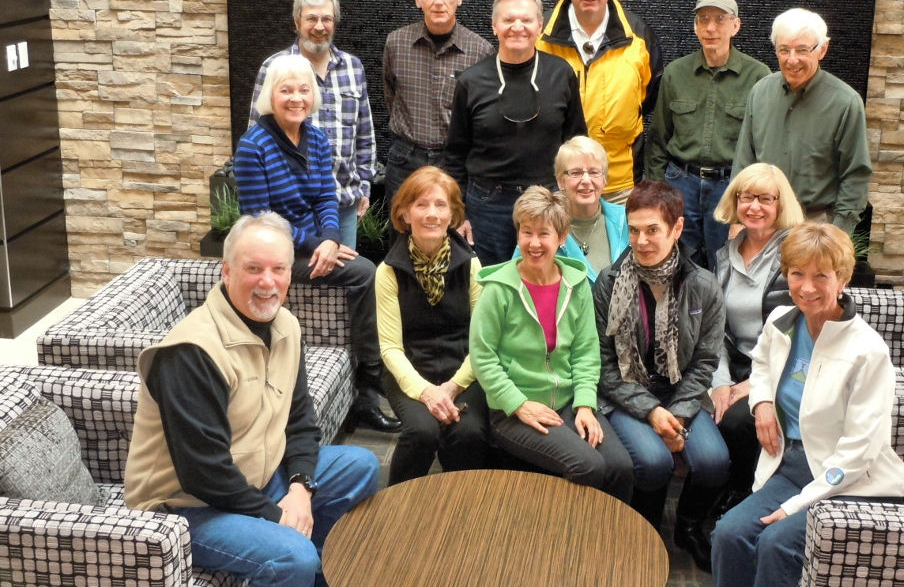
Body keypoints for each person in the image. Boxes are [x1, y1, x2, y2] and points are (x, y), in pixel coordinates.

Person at [124, 212, 380, 587]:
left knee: (361, 466)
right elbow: (204, 474)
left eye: (278, 269)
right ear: (227, 272)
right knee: (292, 556)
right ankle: (304, 566)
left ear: (291, 274)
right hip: (186, 506)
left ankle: (322, 575)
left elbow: (301, 421)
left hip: (259, 477)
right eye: (253, 269)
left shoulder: (286, 326)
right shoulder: (192, 352)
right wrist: (279, 517)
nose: (267, 282)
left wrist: (300, 488)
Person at [711, 222, 904, 587]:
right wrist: (762, 404)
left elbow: (860, 451)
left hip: (852, 481)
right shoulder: (780, 322)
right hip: (792, 465)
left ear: (843, 278)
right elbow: (761, 365)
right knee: (728, 534)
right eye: (797, 274)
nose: (806, 287)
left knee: (775, 544)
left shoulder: (868, 351)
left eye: (821, 276)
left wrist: (796, 505)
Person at [235, 54, 400, 433]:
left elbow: (328, 197)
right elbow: (260, 219)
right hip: (271, 254)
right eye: (286, 90)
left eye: (303, 90)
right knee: (365, 273)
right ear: (270, 96)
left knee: (371, 271)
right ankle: (371, 380)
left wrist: (330, 239)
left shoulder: (317, 138)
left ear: (313, 96)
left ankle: (367, 388)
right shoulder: (253, 146)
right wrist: (315, 245)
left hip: (314, 244)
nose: (296, 98)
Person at [593, 180, 727, 572]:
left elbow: (705, 361)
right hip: (627, 391)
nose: (642, 241)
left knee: (714, 461)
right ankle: (645, 532)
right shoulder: (609, 282)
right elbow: (603, 365)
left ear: (677, 228)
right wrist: (652, 413)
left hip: (680, 392)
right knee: (653, 463)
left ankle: (688, 527)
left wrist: (679, 415)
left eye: (653, 230)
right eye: (634, 230)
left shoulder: (703, 285)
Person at [469, 186, 633, 502]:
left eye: (544, 233)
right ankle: (563, 530)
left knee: (621, 467)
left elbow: (586, 350)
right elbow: (482, 357)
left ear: (562, 237)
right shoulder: (498, 289)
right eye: (526, 232)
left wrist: (584, 404)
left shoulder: (576, 284)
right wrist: (519, 404)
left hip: (568, 401)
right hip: (513, 408)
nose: (534, 243)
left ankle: (609, 533)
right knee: (588, 466)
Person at [443, 0, 588, 266]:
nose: (517, 27)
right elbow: (455, 155)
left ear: (540, 26)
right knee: (493, 281)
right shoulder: (471, 81)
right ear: (494, 26)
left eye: (526, 20)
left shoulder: (561, 74)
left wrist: (571, 201)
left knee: (545, 279)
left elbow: (577, 141)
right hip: (488, 206)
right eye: (508, 20)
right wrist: (459, 213)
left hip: (547, 199)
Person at [703, 164, 804, 528]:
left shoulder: (794, 256)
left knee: (735, 421)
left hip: (783, 367)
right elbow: (714, 329)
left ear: (780, 204)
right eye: (746, 197)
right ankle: (707, 506)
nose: (754, 206)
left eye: (765, 198)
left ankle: (740, 498)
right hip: (732, 365)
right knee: (707, 409)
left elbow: (796, 333)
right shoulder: (724, 255)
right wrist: (721, 383)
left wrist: (750, 386)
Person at [375, 165, 490, 485]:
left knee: (468, 433)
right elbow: (390, 348)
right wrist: (427, 393)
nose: (432, 214)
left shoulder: (471, 265)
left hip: (463, 371)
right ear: (404, 213)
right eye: (421, 204)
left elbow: (482, 341)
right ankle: (396, 503)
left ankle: (461, 501)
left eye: (441, 205)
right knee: (421, 432)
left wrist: (452, 388)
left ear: (452, 215)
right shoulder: (387, 272)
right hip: (411, 370)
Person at [646, 0, 771, 271]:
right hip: (680, 184)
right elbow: (658, 139)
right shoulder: (676, 73)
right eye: (703, 20)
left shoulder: (758, 77)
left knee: (727, 264)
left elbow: (763, 147)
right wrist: (655, 193)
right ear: (695, 27)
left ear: (735, 26)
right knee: (676, 263)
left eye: (719, 19)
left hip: (730, 187)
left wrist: (752, 197)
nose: (710, 28)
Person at [536, 0, 663, 204]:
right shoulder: (539, 34)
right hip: (555, 184)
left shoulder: (639, 37)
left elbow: (649, 99)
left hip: (619, 186)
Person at [251, 0, 375, 249]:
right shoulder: (274, 67)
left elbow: (365, 135)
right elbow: (256, 133)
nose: (320, 26)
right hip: (290, 209)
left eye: (326, 19)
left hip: (343, 204)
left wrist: (364, 185)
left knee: (342, 274)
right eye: (312, 19)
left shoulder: (353, 68)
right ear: (297, 22)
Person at [732, 8, 871, 235]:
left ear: (822, 49)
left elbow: (855, 175)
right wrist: (738, 221)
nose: (792, 59)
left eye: (802, 50)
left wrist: (839, 234)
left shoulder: (845, 102)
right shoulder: (760, 92)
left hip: (815, 225)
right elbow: (744, 160)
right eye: (784, 50)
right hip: (761, 220)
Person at [381, 0, 493, 203]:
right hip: (404, 160)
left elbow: (483, 114)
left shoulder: (480, 51)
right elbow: (391, 94)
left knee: (452, 224)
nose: (438, 1)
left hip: (453, 162)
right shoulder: (396, 43)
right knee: (400, 224)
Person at [512, 135, 628, 284]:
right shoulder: (540, 224)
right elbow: (515, 280)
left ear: (604, 179)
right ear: (560, 181)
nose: (586, 180)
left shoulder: (626, 220)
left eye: (594, 172)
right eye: (576, 173)